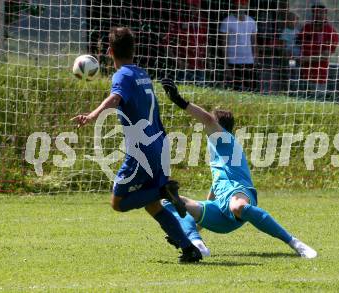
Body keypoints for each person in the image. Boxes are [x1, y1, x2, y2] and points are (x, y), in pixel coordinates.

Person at [71, 27, 202, 263]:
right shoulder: (142, 74)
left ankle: (164, 191)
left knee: (118, 203)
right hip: (159, 144)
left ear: (110, 51)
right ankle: (188, 248)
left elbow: (115, 99)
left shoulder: (122, 75)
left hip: (141, 150)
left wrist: (92, 116)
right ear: (133, 50)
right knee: (152, 204)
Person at [160, 78, 318, 259]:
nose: (205, 127)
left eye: (210, 125)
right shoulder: (217, 150)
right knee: (169, 199)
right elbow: (216, 185)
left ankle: (295, 243)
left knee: (237, 206)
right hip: (220, 213)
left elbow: (208, 119)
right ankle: (196, 244)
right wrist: (195, 228)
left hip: (240, 194)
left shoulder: (225, 139)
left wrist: (180, 100)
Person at [297, 4, 339, 99]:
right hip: (302, 74)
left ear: (325, 14)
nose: (318, 15)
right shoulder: (306, 28)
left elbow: (325, 56)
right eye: (315, 13)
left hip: (319, 76)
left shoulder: (331, 32)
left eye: (321, 13)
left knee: (317, 101)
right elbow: (296, 45)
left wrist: (306, 59)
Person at [164, 0, 209, 84]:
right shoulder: (179, 21)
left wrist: (208, 62)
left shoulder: (203, 21)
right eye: (192, 6)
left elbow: (206, 43)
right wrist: (178, 61)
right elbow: (165, 43)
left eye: (196, 6)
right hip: (184, 67)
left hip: (199, 67)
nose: (194, 8)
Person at [219, 0, 258, 91]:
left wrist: (256, 59)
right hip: (233, 62)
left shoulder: (252, 21)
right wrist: (226, 66)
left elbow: (254, 43)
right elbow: (223, 44)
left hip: (249, 62)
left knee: (252, 90)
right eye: (239, 3)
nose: (241, 6)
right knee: (235, 91)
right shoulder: (227, 21)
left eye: (244, 3)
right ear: (234, 5)